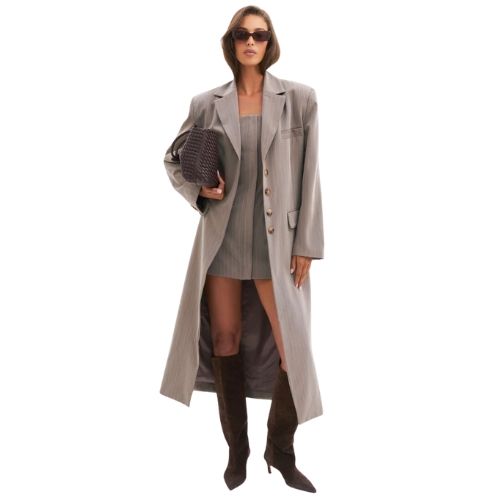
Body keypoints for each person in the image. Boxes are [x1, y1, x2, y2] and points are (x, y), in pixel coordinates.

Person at [160, 5, 324, 493]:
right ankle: (238, 452)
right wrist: (199, 190)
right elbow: (173, 159)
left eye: (259, 34)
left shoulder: (299, 99)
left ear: (270, 42)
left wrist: (307, 244)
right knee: (225, 339)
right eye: (241, 34)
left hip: (278, 244)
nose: (250, 42)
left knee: (293, 348)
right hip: (223, 239)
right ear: (230, 42)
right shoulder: (207, 103)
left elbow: (311, 175)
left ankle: (281, 449)